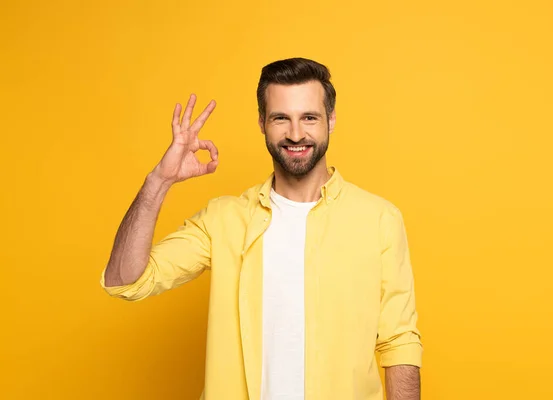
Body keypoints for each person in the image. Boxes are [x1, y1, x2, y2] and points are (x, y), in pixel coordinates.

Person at [101, 57, 422, 400]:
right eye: (280, 118)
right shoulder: (223, 219)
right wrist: (159, 181)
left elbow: (399, 343)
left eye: (309, 118)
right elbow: (126, 281)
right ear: (261, 123)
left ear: (331, 119)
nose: (296, 134)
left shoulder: (378, 220)